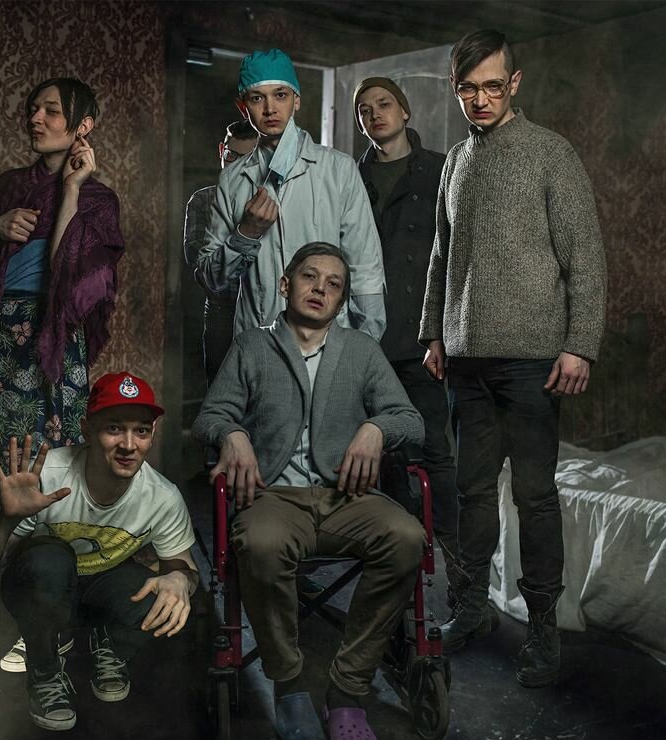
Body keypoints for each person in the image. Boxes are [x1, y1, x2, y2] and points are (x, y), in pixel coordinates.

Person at [421, 31, 607, 688]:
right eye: (468, 89)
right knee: (471, 494)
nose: (481, 99)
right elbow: (441, 256)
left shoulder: (552, 153)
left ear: (515, 83)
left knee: (534, 497)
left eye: (493, 86)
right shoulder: (454, 161)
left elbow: (585, 256)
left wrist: (579, 343)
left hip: (532, 362)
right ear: (456, 89)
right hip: (465, 360)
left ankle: (543, 629)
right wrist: (434, 333)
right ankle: (470, 609)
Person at [193, 243, 424, 740]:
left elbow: (411, 421)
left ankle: (348, 687)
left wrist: (376, 428)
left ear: (341, 300)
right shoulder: (252, 346)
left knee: (407, 536)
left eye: (333, 284)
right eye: (309, 277)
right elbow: (209, 417)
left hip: (347, 496)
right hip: (274, 496)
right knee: (261, 543)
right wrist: (232, 433)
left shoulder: (361, 350)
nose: (320, 288)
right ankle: (290, 683)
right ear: (285, 285)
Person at [0, 77, 125, 672]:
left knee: (59, 470)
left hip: (55, 345)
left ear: (83, 125)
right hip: (1, 341)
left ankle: (74, 615)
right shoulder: (10, 186)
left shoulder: (98, 199)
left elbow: (67, 277)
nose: (37, 118)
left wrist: (73, 188)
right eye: (33, 109)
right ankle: (36, 625)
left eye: (52, 111)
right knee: (8, 474)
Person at [0, 371, 197, 731]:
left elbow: (185, 568)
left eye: (141, 431)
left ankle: (110, 642)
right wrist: (5, 520)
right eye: (114, 428)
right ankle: (44, 669)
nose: (129, 445)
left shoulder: (162, 497)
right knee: (48, 562)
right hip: (45, 586)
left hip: (103, 587)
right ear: (88, 430)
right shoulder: (49, 476)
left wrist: (181, 578)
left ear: (152, 435)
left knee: (171, 604)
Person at [353, 76, 470, 621]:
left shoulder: (441, 170)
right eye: (364, 110)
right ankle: (394, 582)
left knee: (436, 456)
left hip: (424, 338)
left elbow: (458, 255)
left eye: (384, 104)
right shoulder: (351, 178)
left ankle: (461, 581)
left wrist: (445, 331)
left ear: (404, 112)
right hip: (366, 338)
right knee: (381, 459)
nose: (374, 114)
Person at [198, 48, 387, 340]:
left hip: (327, 342)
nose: (270, 109)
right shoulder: (232, 181)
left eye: (280, 95)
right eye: (257, 98)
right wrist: (246, 234)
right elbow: (211, 277)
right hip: (258, 342)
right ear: (243, 107)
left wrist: (365, 347)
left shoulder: (338, 169)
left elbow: (365, 267)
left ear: (296, 100)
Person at [183, 120, 259, 383]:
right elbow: (200, 266)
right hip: (221, 314)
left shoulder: (270, 202)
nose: (237, 167)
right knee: (221, 392)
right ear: (221, 151)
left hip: (265, 313)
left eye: (247, 159)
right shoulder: (203, 200)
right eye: (231, 156)